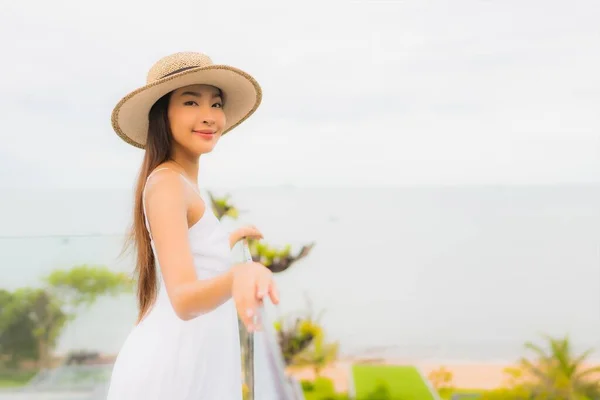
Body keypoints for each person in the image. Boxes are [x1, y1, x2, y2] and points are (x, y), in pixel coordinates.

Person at [106, 51, 279, 399]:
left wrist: (223, 241)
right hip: (173, 371)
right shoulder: (168, 183)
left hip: (190, 358)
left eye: (216, 104)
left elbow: (185, 252)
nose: (209, 117)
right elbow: (183, 299)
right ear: (162, 115)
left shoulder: (177, 180)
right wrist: (240, 275)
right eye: (190, 102)